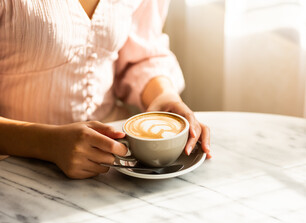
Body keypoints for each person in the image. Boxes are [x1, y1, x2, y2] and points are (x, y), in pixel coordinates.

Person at [0, 0, 211, 179]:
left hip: (115, 162)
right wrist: (47, 143)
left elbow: (140, 55)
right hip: (16, 167)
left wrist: (163, 96)